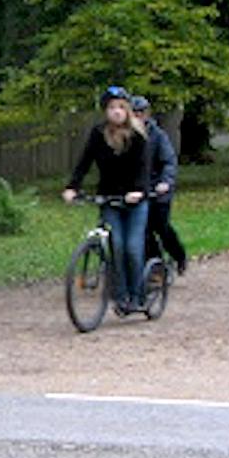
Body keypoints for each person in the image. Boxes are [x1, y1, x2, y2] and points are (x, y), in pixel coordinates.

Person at [63, 86, 152, 314]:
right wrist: (73, 187)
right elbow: (84, 163)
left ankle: (138, 295)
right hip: (109, 198)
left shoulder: (138, 135)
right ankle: (120, 297)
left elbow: (144, 167)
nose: (116, 112)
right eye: (112, 107)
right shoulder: (98, 134)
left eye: (121, 107)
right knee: (117, 245)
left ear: (128, 110)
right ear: (105, 111)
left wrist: (139, 191)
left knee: (132, 247)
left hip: (134, 201)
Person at [132, 95, 187, 276]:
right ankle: (155, 267)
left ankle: (179, 256)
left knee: (161, 227)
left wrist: (165, 182)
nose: (138, 116)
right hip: (138, 191)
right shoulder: (125, 135)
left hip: (158, 191)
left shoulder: (157, 135)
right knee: (143, 230)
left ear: (147, 114)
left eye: (141, 112)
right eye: (134, 112)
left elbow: (169, 161)